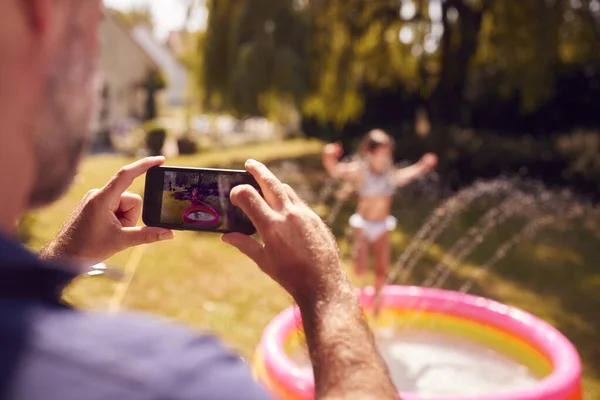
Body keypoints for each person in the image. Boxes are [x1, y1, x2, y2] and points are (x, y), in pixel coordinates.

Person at [0, 2, 397, 399]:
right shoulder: (173, 382)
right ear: (43, 14)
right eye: (94, 24)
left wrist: (62, 257)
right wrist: (326, 292)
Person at [322, 129, 438, 291]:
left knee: (382, 269)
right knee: (360, 267)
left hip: (382, 225)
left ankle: (377, 304)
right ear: (368, 153)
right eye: (380, 154)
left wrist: (422, 166)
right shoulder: (361, 171)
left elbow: (405, 175)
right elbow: (335, 170)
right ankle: (356, 295)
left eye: (387, 154)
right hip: (363, 225)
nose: (384, 159)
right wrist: (328, 156)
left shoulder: (388, 175)